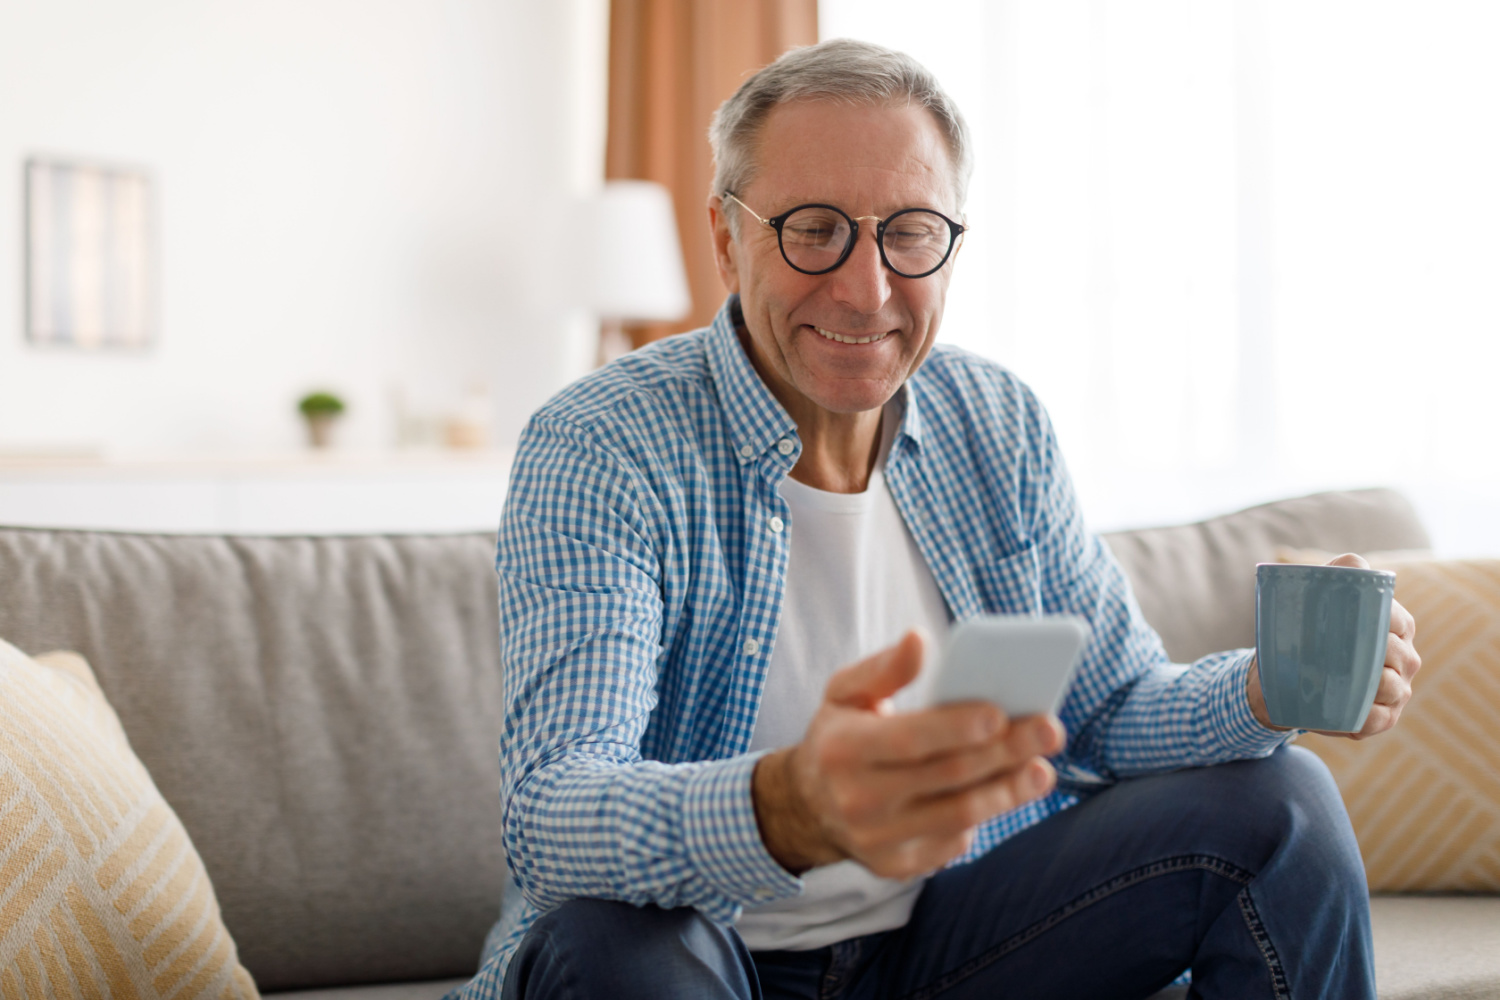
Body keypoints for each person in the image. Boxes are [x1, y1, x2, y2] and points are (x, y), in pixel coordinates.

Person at [452, 39, 1421, 1000]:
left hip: (950, 938)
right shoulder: (603, 445)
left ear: (953, 241)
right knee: (620, 948)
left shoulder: (997, 423)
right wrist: (792, 805)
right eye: (813, 227)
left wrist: (1264, 691)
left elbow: (1111, 708)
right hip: (707, 954)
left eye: (909, 231)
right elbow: (553, 807)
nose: (866, 288)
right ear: (724, 237)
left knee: (1283, 802)